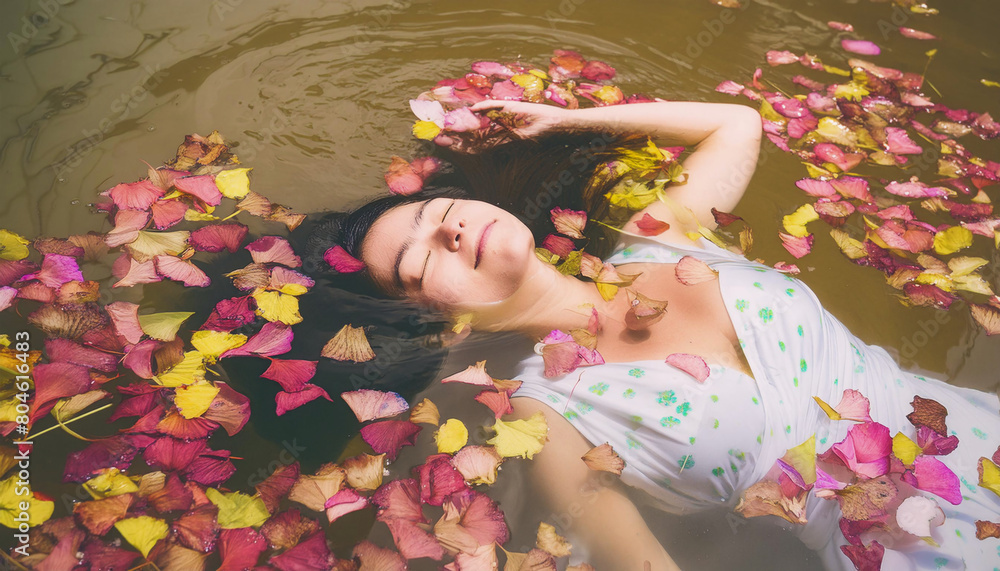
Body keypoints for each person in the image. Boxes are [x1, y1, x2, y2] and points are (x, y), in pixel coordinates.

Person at [311, 99, 1000, 570]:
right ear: (430, 322)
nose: (450, 231)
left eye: (437, 212)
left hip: (978, 430)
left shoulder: (659, 235)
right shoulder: (549, 419)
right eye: (418, 262)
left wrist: (564, 121)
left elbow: (738, 123)